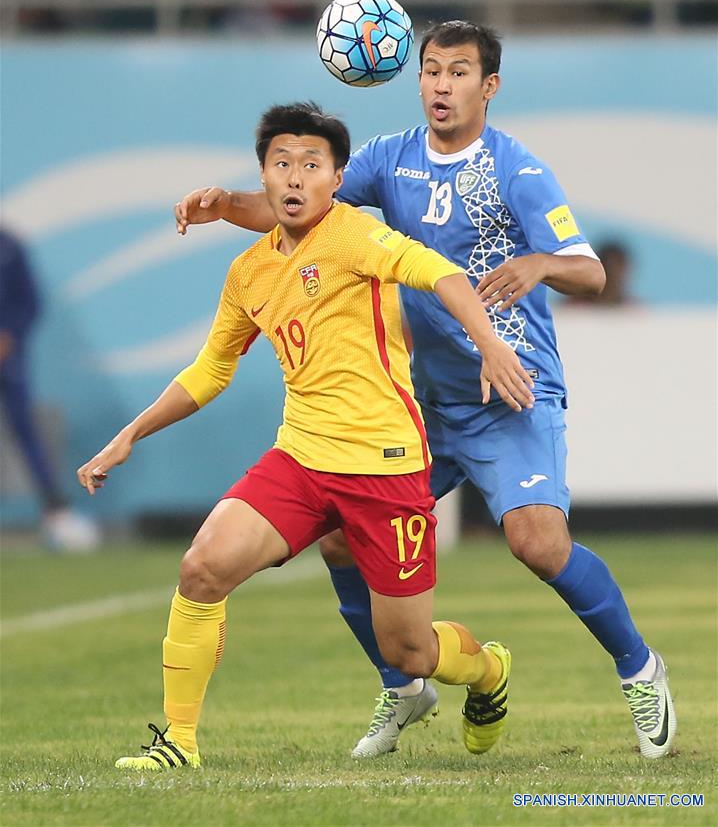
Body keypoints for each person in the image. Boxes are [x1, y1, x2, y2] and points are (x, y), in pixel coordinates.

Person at [174, 22, 677, 762]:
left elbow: (592, 273)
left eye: (459, 72)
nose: (442, 85)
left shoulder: (518, 171)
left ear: (489, 86)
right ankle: (402, 684)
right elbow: (297, 202)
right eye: (431, 70)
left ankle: (638, 666)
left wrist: (539, 264)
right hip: (419, 406)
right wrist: (224, 204)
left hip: (507, 391)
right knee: (338, 534)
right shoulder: (389, 158)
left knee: (537, 543)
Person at [78, 101, 536, 771]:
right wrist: (130, 434)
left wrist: (489, 343)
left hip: (385, 465)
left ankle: (489, 670)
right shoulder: (249, 272)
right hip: (300, 458)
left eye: (312, 164)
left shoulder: (356, 236)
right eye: (282, 162)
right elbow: (211, 369)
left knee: (410, 653)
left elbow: (440, 274)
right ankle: (178, 741)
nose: (295, 177)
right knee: (202, 567)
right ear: (263, 174)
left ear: (337, 179)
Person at [0, 226, 100, 552]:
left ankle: (56, 512)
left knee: (26, 431)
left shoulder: (9, 246)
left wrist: (9, 336)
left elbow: (30, 302)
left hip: (9, 358)